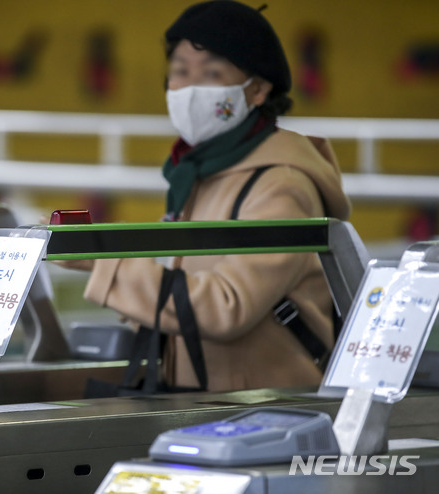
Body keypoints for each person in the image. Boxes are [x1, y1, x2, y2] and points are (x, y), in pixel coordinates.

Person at [61, 0, 351, 392]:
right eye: (180, 71)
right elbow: (181, 287)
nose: (191, 88)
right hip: (202, 400)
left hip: (265, 409)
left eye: (212, 72)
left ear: (259, 89)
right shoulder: (198, 173)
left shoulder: (282, 185)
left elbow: (226, 307)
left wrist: (103, 263)